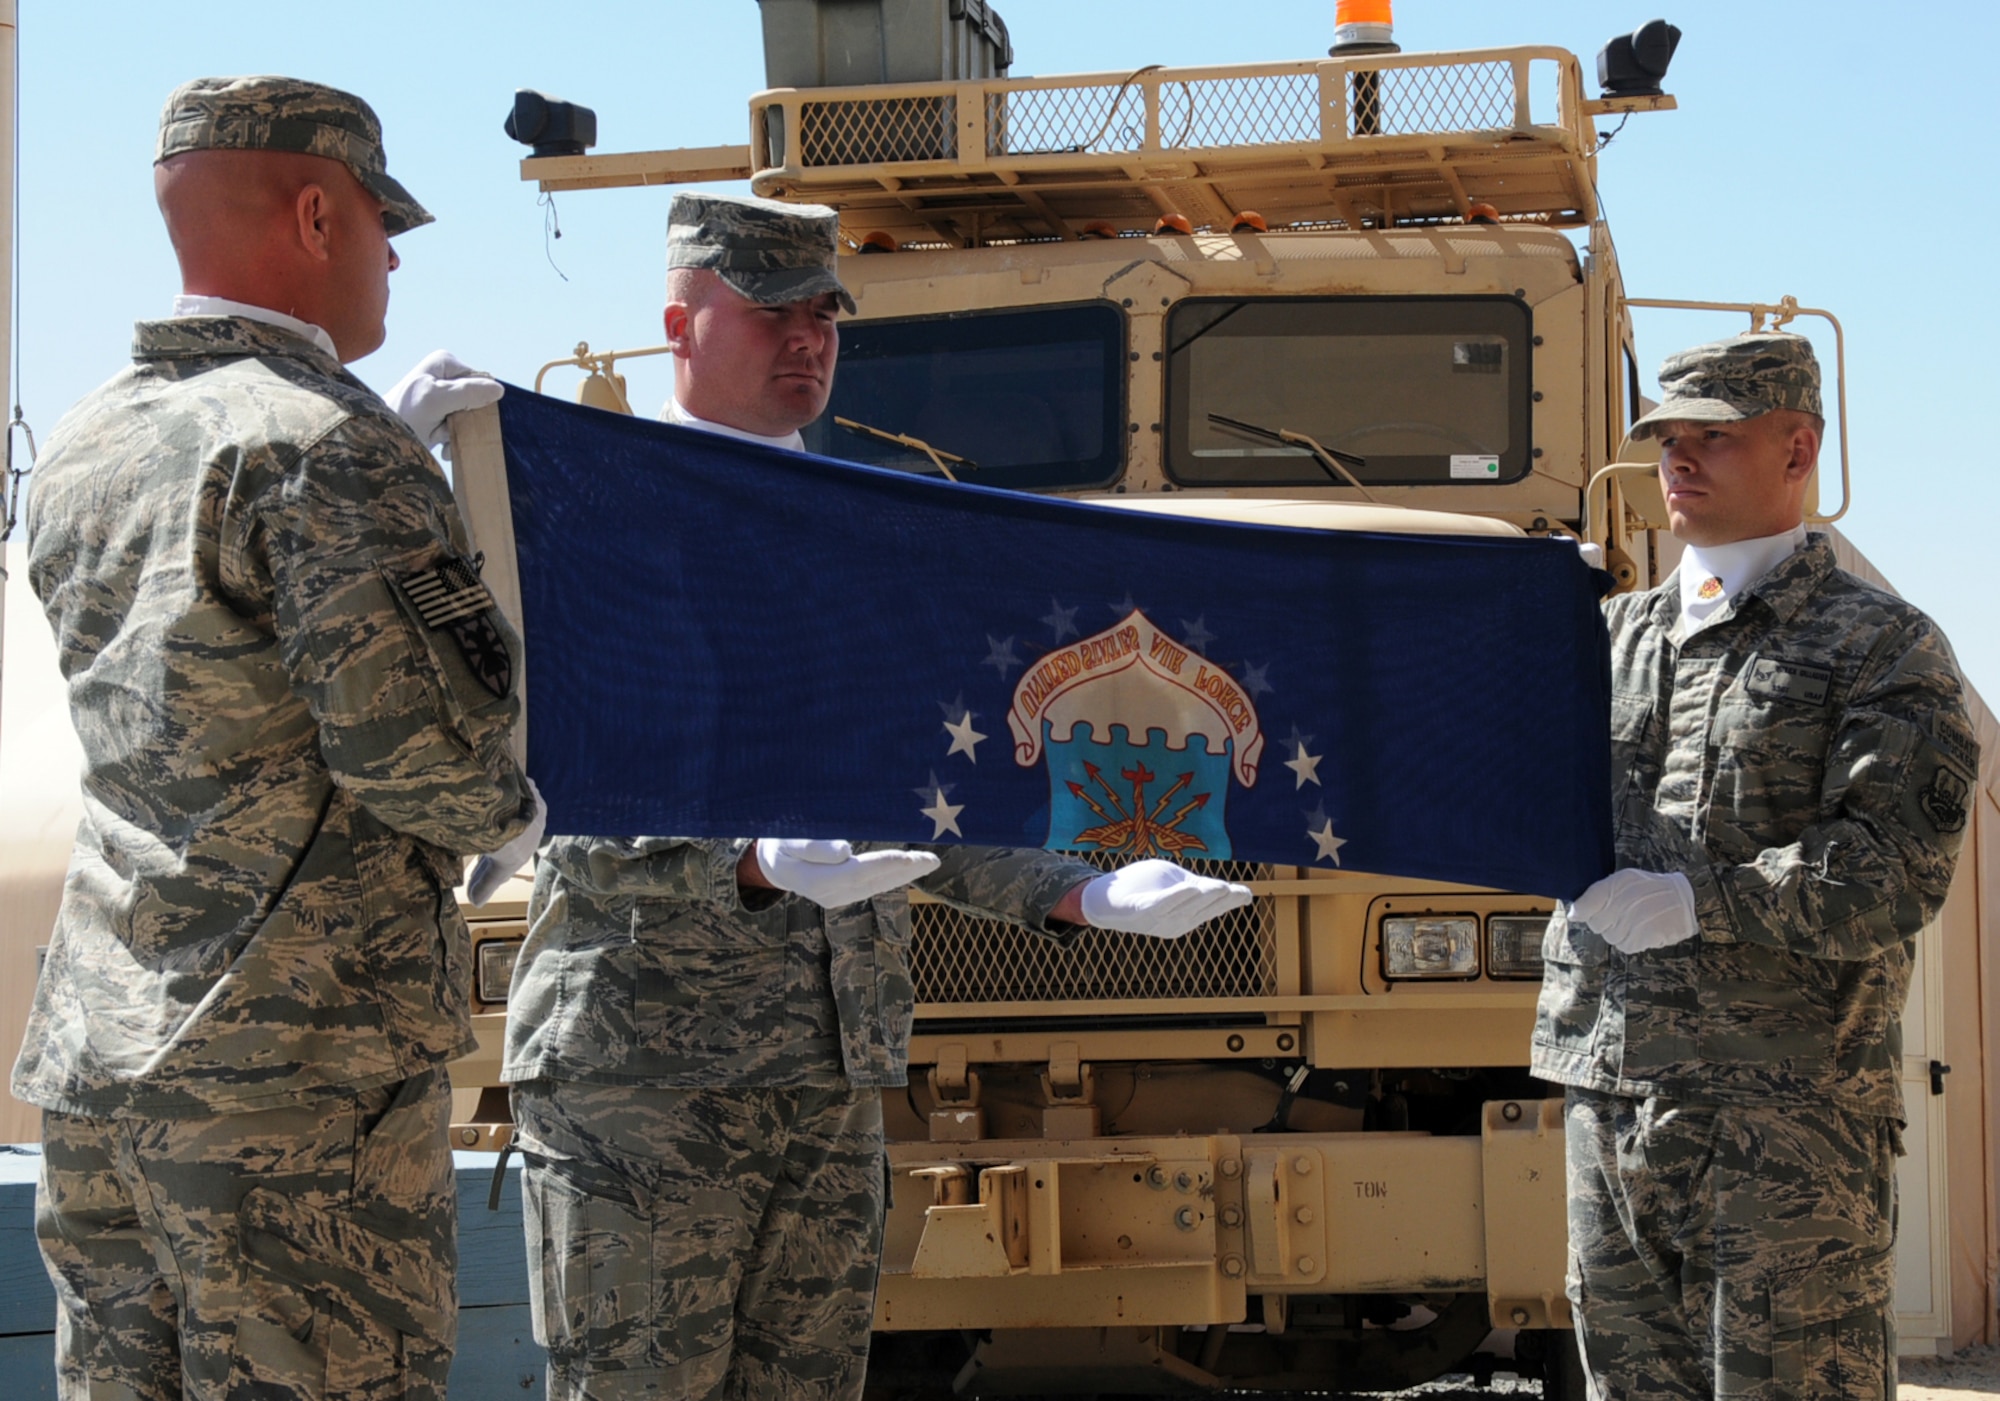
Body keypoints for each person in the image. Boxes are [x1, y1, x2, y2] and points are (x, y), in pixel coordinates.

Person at [495, 191, 1253, 1401]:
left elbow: (926, 795)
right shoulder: (588, 526)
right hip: (642, 1076)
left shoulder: (869, 540)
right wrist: (743, 859)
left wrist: (1086, 889)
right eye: (770, 315)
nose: (806, 341)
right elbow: (542, 791)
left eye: (824, 318)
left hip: (830, 1075)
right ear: (679, 325)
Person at [18, 76, 542, 1401]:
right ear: (316, 213)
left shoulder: (86, 440)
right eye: (382, 221)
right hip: (292, 1092)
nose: (395, 256)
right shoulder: (325, 444)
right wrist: (520, 804)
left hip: (102, 1064)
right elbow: (425, 761)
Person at [1532, 332, 1978, 1401]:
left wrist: (1701, 903)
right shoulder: (1600, 639)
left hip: (1784, 1116)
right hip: (1610, 1092)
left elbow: (1891, 870)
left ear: (1796, 448)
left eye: (1712, 438)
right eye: (1665, 439)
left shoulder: (1879, 646)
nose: (1676, 461)